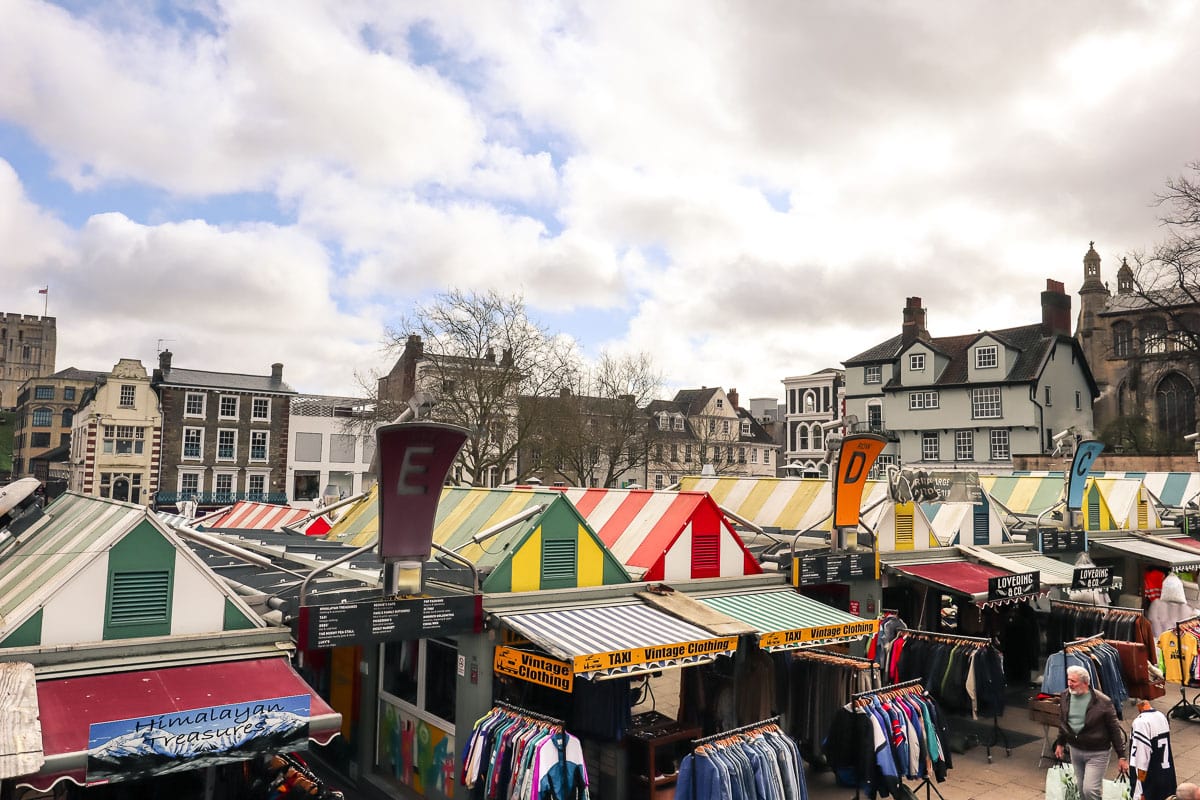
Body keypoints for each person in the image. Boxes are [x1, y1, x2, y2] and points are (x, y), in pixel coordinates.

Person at [1054, 665, 1128, 800]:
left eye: (1074, 681)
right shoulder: (1065, 695)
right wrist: (1060, 743)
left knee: (1090, 790)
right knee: (1082, 790)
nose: (1070, 684)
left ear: (1085, 683)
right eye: (1069, 680)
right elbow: (1064, 722)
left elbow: (1114, 730)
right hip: (1075, 749)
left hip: (1097, 752)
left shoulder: (1103, 702)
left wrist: (1121, 756)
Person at [1130, 698, 1176, 800]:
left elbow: (1141, 761)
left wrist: (1140, 791)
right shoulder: (1161, 716)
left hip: (1151, 784)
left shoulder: (1141, 723)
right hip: (1167, 777)